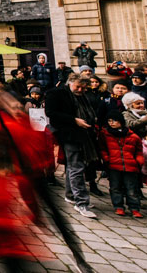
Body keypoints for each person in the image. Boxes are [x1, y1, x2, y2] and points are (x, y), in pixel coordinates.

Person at [45, 74, 99, 218]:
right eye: (78, 86)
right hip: (67, 133)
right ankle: (81, 202)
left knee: (72, 165)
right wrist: (74, 120)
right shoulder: (56, 93)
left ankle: (70, 195)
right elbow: (50, 113)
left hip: (83, 133)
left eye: (83, 87)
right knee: (77, 166)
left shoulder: (82, 96)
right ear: (70, 83)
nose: (81, 89)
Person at [98, 111, 143, 218]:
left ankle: (134, 208)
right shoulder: (105, 134)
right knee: (115, 187)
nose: (111, 123)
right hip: (114, 165)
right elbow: (102, 148)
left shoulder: (133, 136)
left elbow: (138, 151)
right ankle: (118, 206)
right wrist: (106, 158)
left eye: (114, 120)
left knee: (131, 188)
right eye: (109, 121)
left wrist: (138, 161)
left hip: (130, 166)